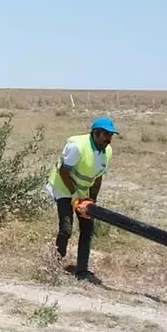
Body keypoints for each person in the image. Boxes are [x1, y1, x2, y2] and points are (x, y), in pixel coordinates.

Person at [47, 117, 118, 282]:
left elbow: (98, 178)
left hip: (82, 192)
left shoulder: (107, 151)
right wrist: (74, 196)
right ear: (95, 133)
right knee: (66, 228)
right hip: (63, 187)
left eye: (111, 135)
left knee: (87, 229)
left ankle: (82, 271)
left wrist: (91, 201)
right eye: (106, 135)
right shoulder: (77, 147)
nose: (109, 139)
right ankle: (54, 263)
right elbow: (64, 172)